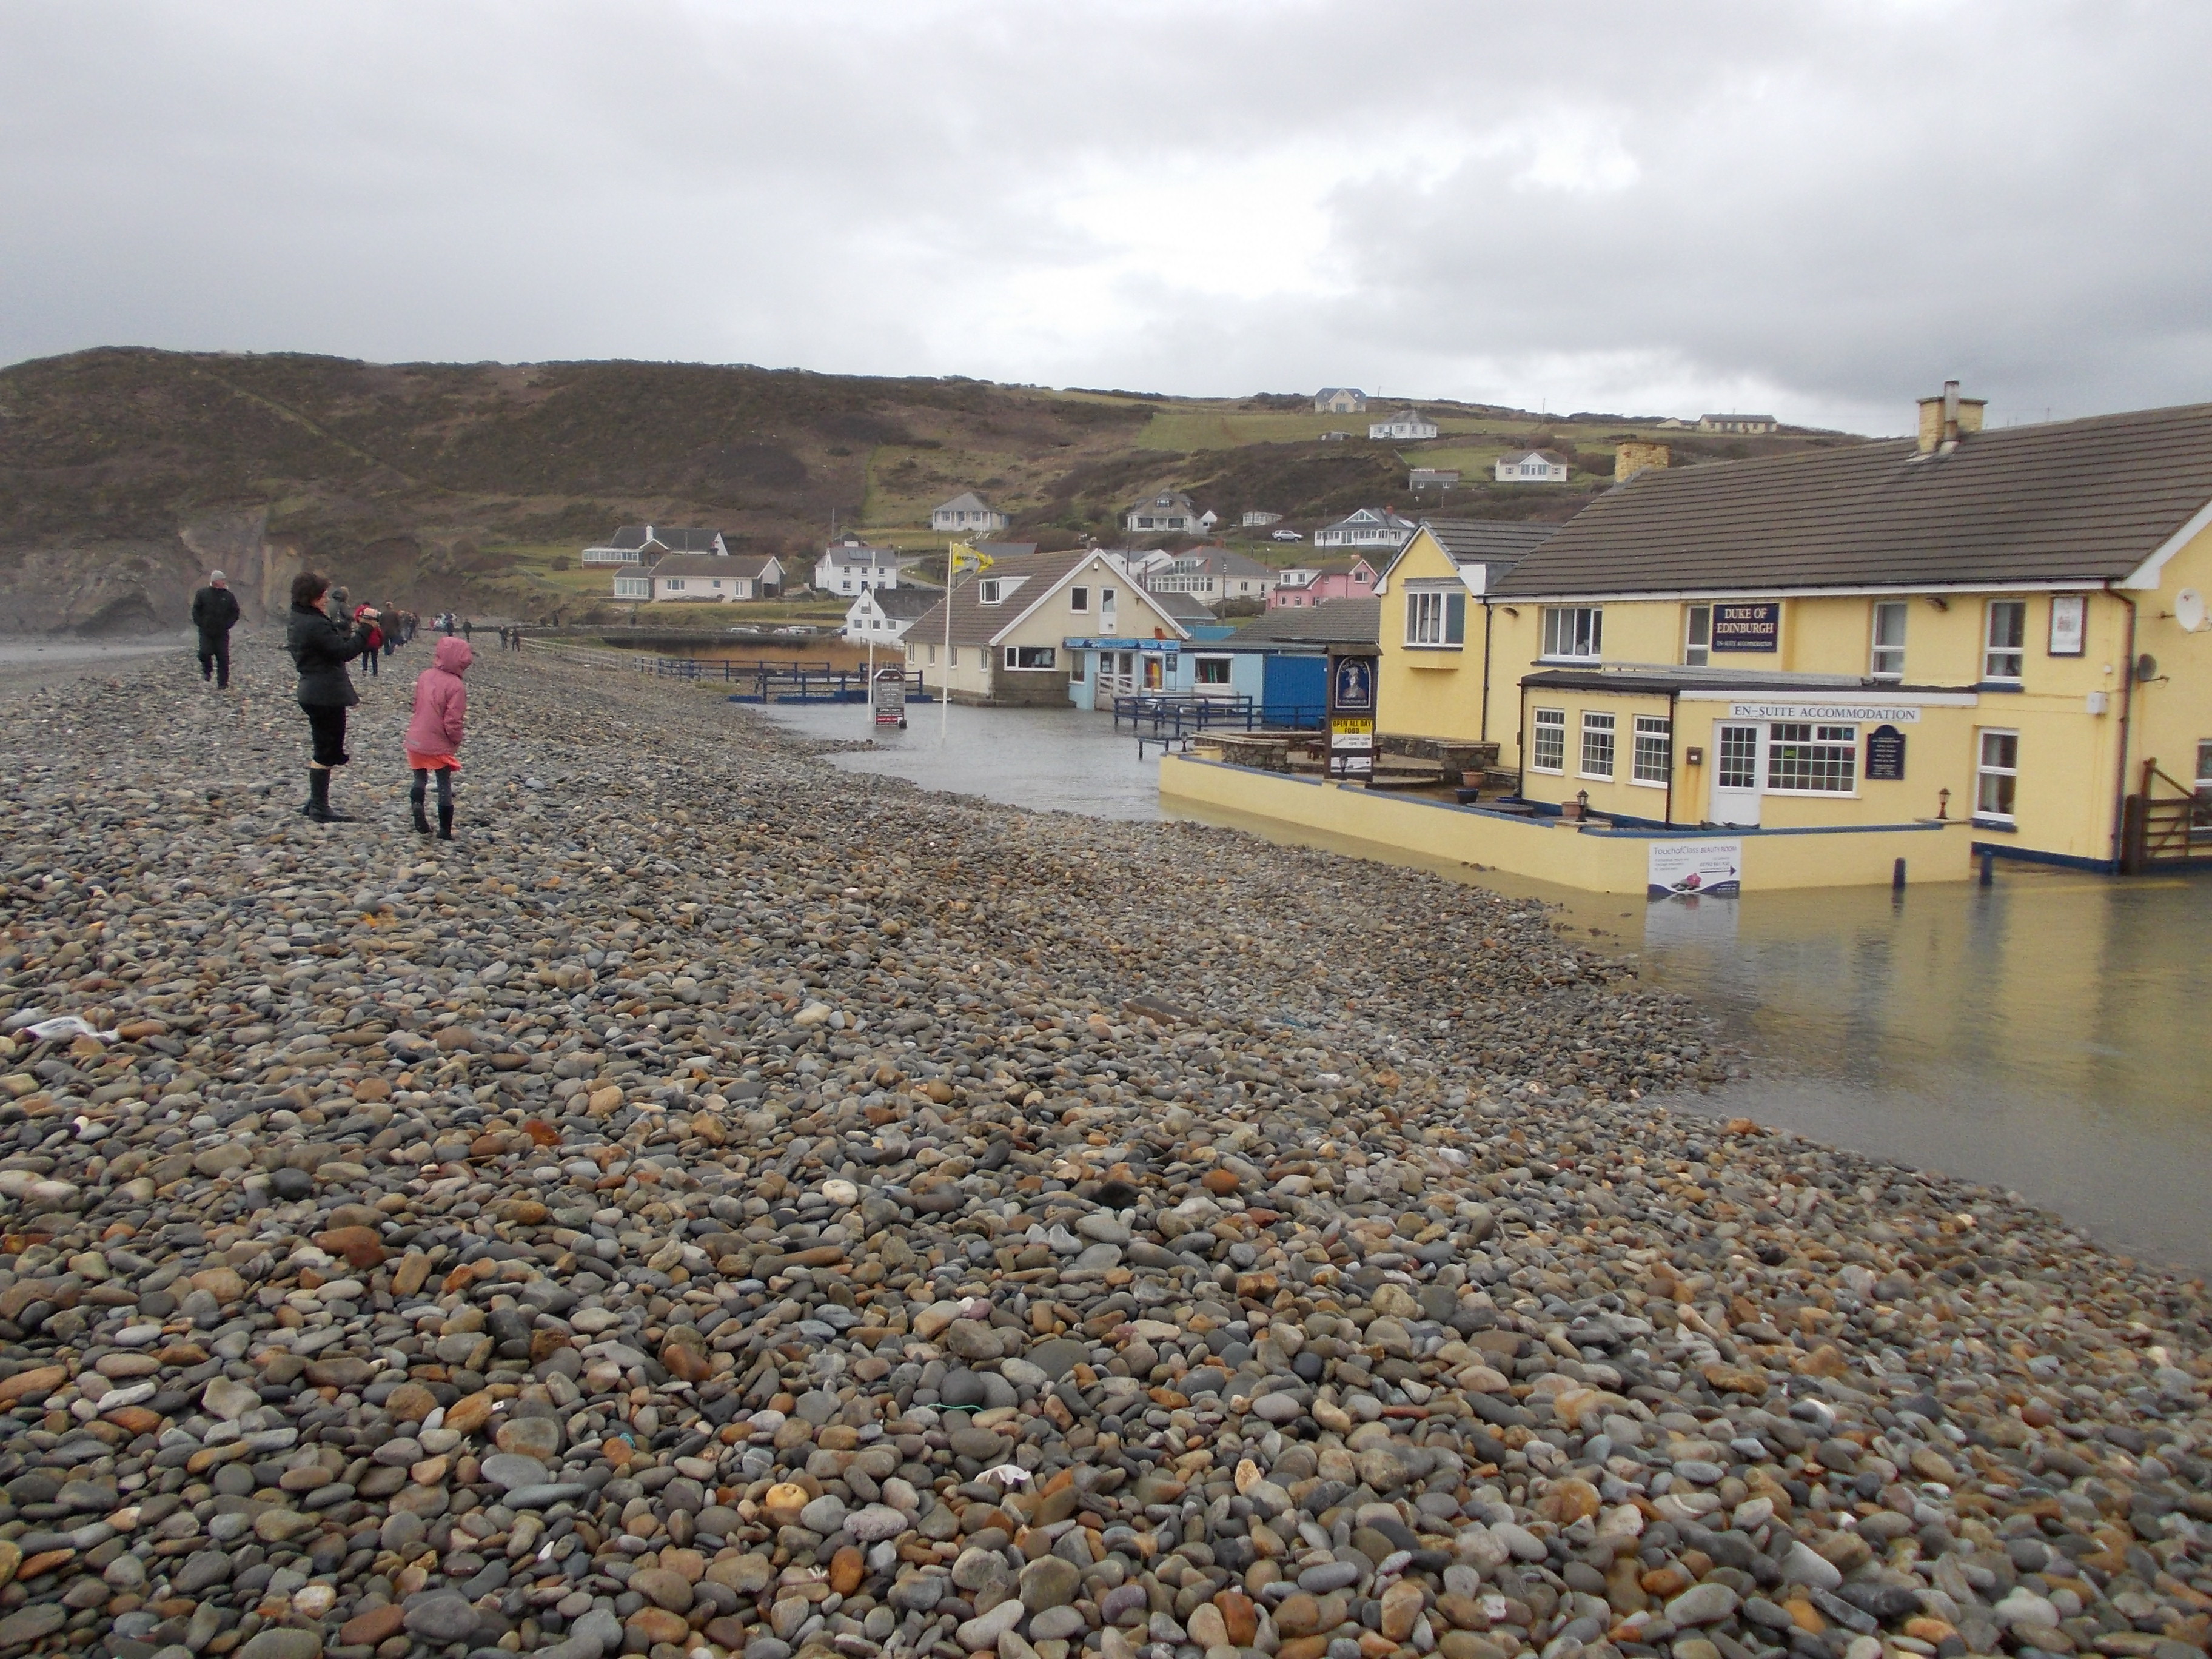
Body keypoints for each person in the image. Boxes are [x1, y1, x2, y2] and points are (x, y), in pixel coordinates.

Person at [286, 571, 378, 823]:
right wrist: (366, 629)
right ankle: (319, 806)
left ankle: (315, 801)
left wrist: (341, 629)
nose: (326, 599)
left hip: (312, 690)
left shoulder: (299, 618)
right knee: (326, 750)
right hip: (324, 694)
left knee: (323, 746)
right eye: (322, 595)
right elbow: (344, 651)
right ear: (312, 598)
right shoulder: (314, 623)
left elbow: (326, 642)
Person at [406, 635, 472, 840]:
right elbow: (453, 721)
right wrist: (455, 740)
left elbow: (416, 704)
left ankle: (418, 808)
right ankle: (445, 830)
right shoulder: (456, 686)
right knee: (443, 783)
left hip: (415, 737)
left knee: (420, 778)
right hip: (438, 742)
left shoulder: (425, 676)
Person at [189, 570, 241, 688]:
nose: (224, 582)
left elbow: (235, 612)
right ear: (215, 581)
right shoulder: (203, 593)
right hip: (206, 631)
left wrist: (228, 624)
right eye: (222, 580)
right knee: (204, 653)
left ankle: (223, 684)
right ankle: (207, 671)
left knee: (223, 658)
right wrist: (200, 623)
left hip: (222, 632)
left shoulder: (228, 596)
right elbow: (196, 610)